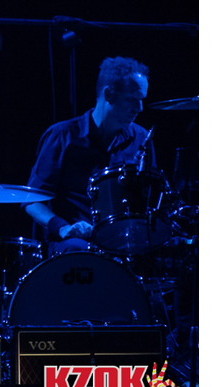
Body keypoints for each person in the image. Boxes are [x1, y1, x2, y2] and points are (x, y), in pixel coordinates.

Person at [23, 56, 154, 257]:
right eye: (132, 100)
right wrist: (63, 228)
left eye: (142, 100)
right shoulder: (62, 136)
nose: (140, 108)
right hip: (73, 243)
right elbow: (32, 199)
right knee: (79, 251)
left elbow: (151, 198)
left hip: (125, 242)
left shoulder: (141, 138)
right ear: (109, 94)